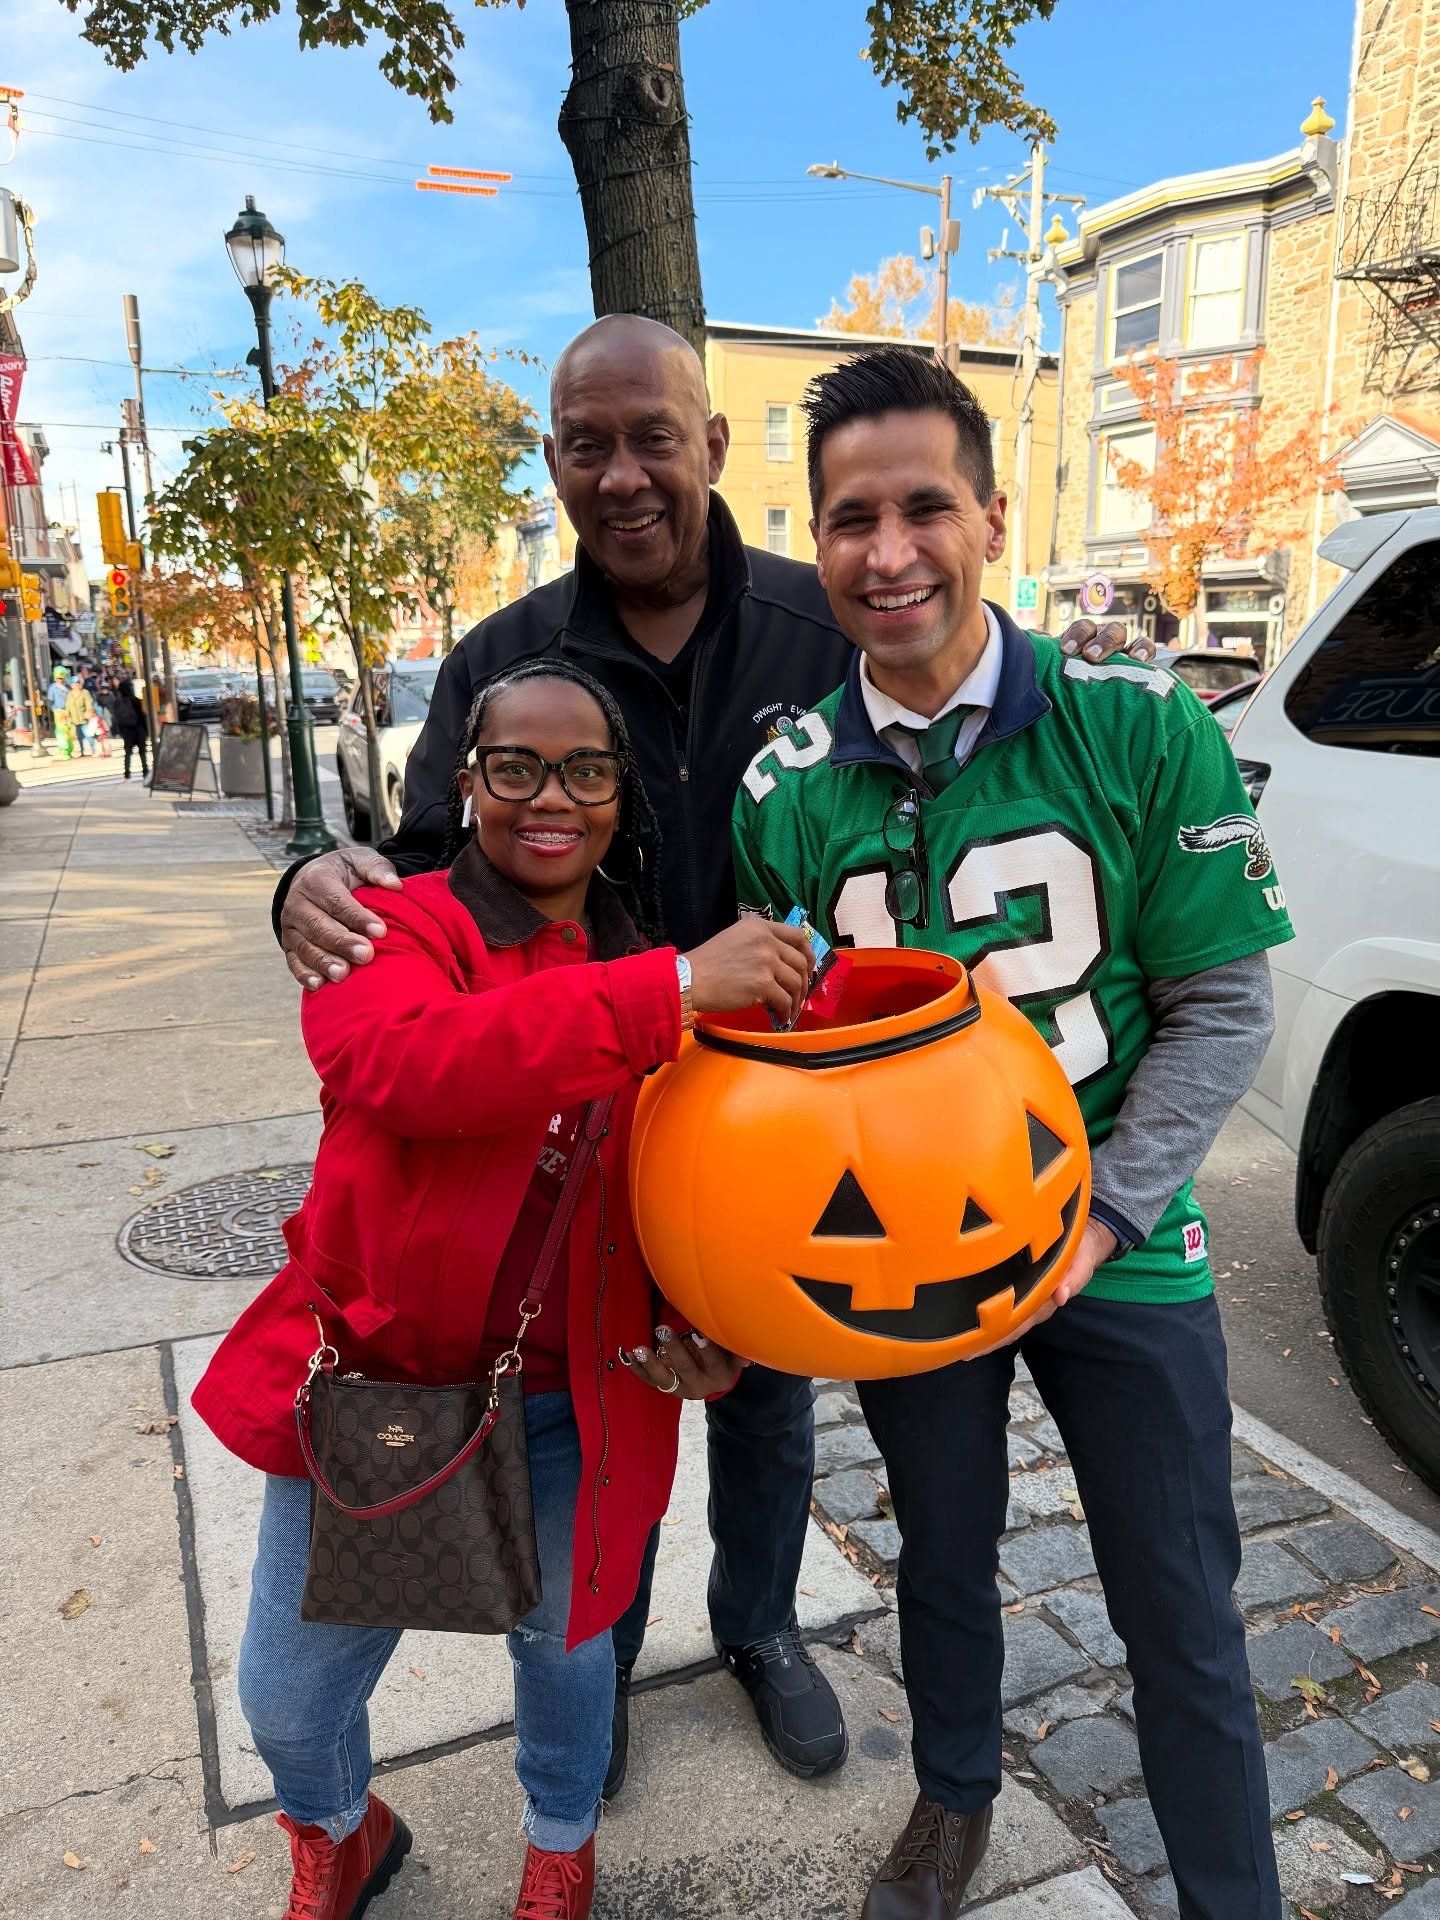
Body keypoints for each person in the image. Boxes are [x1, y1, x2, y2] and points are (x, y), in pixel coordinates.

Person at [272, 313, 1152, 1798]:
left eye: (653, 438)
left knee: (765, 1400)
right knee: (593, 1411)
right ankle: (592, 1655)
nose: (621, 474)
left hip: (785, 1139)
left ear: (713, 448)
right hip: (575, 1129)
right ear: (552, 461)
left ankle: (757, 1624)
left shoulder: (828, 623)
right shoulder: (504, 658)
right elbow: (423, 877)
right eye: (585, 444)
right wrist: (305, 873)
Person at [730, 346, 1292, 1920]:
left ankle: (1230, 1892)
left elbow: (1224, 1009)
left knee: (1181, 1600)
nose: (888, 549)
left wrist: (1104, 1215)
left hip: (1120, 1238)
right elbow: (776, 1064)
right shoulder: (783, 787)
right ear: (819, 543)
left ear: (988, 513)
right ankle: (956, 1796)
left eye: (923, 506)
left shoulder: (1133, 723)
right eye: (851, 517)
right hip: (911, 1256)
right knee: (944, 1552)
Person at [192, 659, 814, 1920]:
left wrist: (713, 1330)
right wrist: (677, 988)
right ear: (467, 781)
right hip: (383, 1387)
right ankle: (340, 1829)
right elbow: (410, 1066)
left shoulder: (654, 970)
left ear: (618, 795)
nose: (552, 798)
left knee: (569, 1656)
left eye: (586, 770)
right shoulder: (407, 926)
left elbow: (707, 1189)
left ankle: (559, 1848)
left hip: (577, 1397)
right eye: (514, 766)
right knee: (290, 1699)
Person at [111, 678, 149, 780]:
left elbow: (116, 718)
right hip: (138, 729)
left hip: (127, 731)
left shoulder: (117, 703)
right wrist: (146, 730)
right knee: (142, 752)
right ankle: (145, 771)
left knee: (128, 753)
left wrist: (119, 731)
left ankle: (127, 773)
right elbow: (142, 716)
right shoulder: (135, 700)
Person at [64, 675, 96, 757]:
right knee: (79, 737)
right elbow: (67, 706)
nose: (76, 685)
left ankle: (93, 750)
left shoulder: (85, 692)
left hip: (84, 718)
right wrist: (67, 716)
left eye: (78, 683)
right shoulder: (70, 694)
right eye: (74, 684)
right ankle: (82, 751)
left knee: (89, 735)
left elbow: (89, 703)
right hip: (75, 719)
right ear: (71, 685)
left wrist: (89, 712)